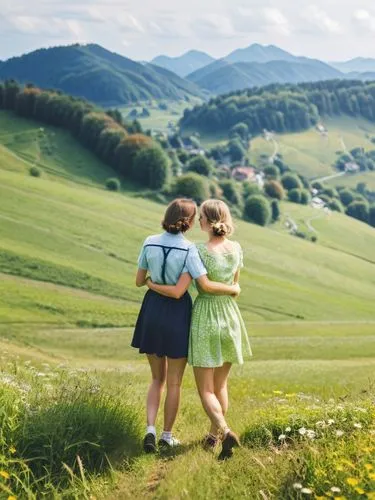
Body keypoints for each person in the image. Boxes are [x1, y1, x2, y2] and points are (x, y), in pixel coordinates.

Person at [132, 198, 240, 453]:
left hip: (152, 310)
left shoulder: (149, 241)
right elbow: (181, 291)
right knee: (174, 383)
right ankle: (168, 436)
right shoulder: (191, 250)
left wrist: (151, 284)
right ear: (190, 223)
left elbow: (139, 280)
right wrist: (234, 289)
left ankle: (150, 430)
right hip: (179, 315)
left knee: (156, 378)